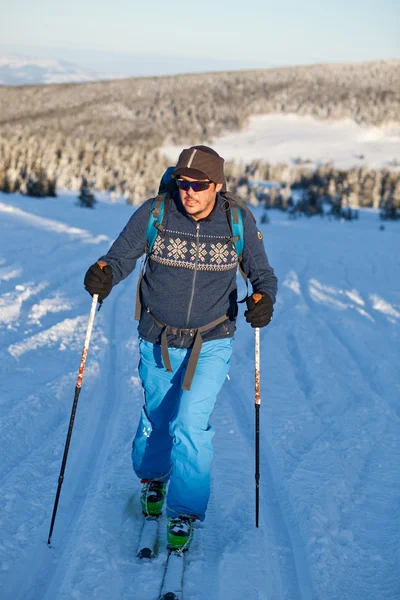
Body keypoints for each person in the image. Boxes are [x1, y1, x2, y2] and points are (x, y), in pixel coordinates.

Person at [84, 145, 278, 552]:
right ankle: (154, 478)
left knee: (192, 424)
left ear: (218, 186)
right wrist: (102, 274)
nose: (188, 191)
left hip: (213, 339)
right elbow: (118, 258)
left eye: (198, 185)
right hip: (158, 335)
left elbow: (262, 275)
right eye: (182, 183)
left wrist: (264, 300)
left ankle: (184, 511)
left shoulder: (237, 221)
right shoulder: (155, 213)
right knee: (159, 417)